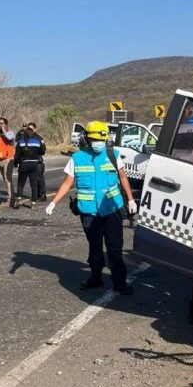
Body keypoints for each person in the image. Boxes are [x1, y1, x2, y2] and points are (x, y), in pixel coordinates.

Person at [45, 121, 138, 293]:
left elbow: (123, 178)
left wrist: (131, 200)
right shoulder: (77, 158)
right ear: (87, 139)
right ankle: (96, 278)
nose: (98, 143)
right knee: (94, 246)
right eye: (95, 139)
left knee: (114, 247)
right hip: (88, 211)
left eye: (101, 140)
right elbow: (67, 184)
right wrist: (54, 202)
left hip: (112, 210)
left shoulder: (113, 154)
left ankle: (120, 282)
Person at [13, 124, 46, 208]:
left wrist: (15, 163)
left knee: (21, 184)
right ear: (33, 132)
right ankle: (33, 204)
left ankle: (18, 200)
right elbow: (42, 151)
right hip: (34, 164)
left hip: (23, 164)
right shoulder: (37, 141)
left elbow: (17, 155)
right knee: (34, 184)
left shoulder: (21, 142)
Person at [0, 117, 17, 205]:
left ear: (5, 124)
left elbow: (10, 138)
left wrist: (4, 130)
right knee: (5, 179)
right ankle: (10, 198)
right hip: (0, 159)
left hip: (8, 159)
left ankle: (11, 200)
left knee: (8, 178)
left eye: (1, 123)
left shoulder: (9, 133)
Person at [25, 122, 47, 201]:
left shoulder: (39, 138)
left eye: (31, 129)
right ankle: (36, 195)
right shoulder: (26, 138)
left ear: (35, 129)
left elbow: (43, 150)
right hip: (29, 161)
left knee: (39, 179)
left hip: (37, 161)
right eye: (28, 129)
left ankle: (42, 195)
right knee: (33, 180)